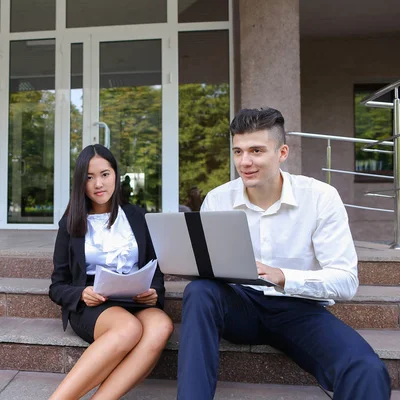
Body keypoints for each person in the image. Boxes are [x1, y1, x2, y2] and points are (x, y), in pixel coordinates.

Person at [177, 108, 391, 399]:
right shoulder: (218, 199)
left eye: (256, 150)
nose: (245, 161)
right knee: (200, 290)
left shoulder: (320, 197)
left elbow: (346, 281)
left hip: (299, 308)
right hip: (239, 306)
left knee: (366, 369)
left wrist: (283, 276)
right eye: (238, 151)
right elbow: (208, 270)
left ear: (282, 152)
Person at [49, 144, 174, 400]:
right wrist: (82, 293)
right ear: (80, 183)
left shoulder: (137, 216)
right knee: (128, 328)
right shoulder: (71, 222)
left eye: (105, 174)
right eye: (89, 177)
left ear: (116, 175)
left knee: (162, 326)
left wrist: (154, 293)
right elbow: (57, 286)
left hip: (135, 299)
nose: (98, 184)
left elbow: (155, 270)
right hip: (95, 305)